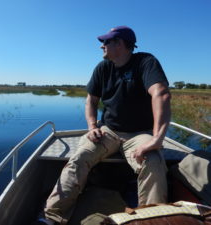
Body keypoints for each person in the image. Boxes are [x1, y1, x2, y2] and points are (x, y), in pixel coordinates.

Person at [36, 25, 171, 225]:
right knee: (80, 157)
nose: (101, 46)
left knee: (153, 161)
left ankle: (152, 220)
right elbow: (91, 101)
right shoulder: (102, 68)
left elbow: (161, 93)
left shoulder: (145, 62)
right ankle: (52, 217)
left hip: (138, 134)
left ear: (121, 44)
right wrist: (92, 127)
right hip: (108, 130)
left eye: (106, 42)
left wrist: (156, 140)